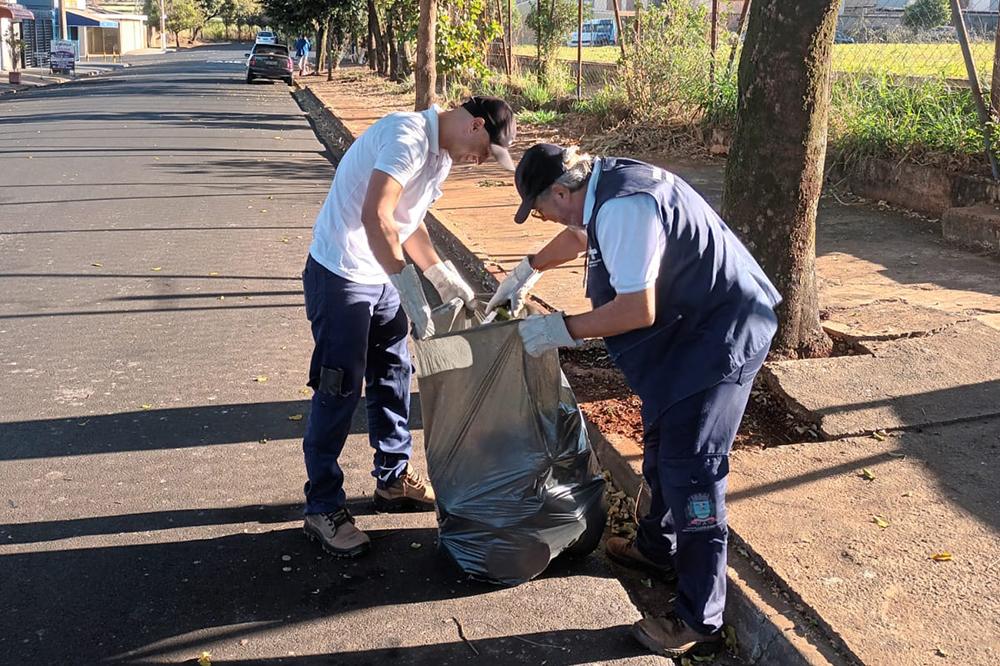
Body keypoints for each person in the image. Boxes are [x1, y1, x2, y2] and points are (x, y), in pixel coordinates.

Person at [488, 143, 781, 658]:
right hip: (691, 328)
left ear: (561, 191)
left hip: (720, 337)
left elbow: (635, 310)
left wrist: (560, 328)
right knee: (664, 439)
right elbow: (580, 236)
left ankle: (699, 619)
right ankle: (656, 548)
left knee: (694, 470)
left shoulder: (623, 207)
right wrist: (528, 270)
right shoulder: (604, 184)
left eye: (539, 209)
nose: (542, 217)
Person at [301, 96, 517, 559]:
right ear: (475, 125)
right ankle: (323, 506)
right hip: (341, 273)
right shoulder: (408, 138)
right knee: (339, 387)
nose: (477, 162)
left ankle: (393, 477)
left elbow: (407, 224)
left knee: (394, 374)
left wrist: (442, 277)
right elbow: (375, 215)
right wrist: (411, 289)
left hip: (379, 275)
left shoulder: (439, 157)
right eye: (483, 152)